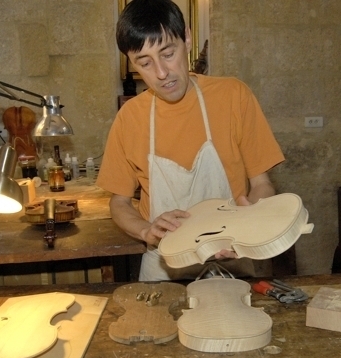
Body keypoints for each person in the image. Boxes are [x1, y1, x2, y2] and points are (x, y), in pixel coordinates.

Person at [96, 0, 285, 281]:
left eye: (168, 53)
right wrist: (146, 230)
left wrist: (242, 229)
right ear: (131, 62)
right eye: (145, 63)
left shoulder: (233, 96)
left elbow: (262, 185)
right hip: (163, 265)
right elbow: (120, 203)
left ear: (186, 37)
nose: (161, 73)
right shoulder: (130, 118)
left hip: (230, 259)